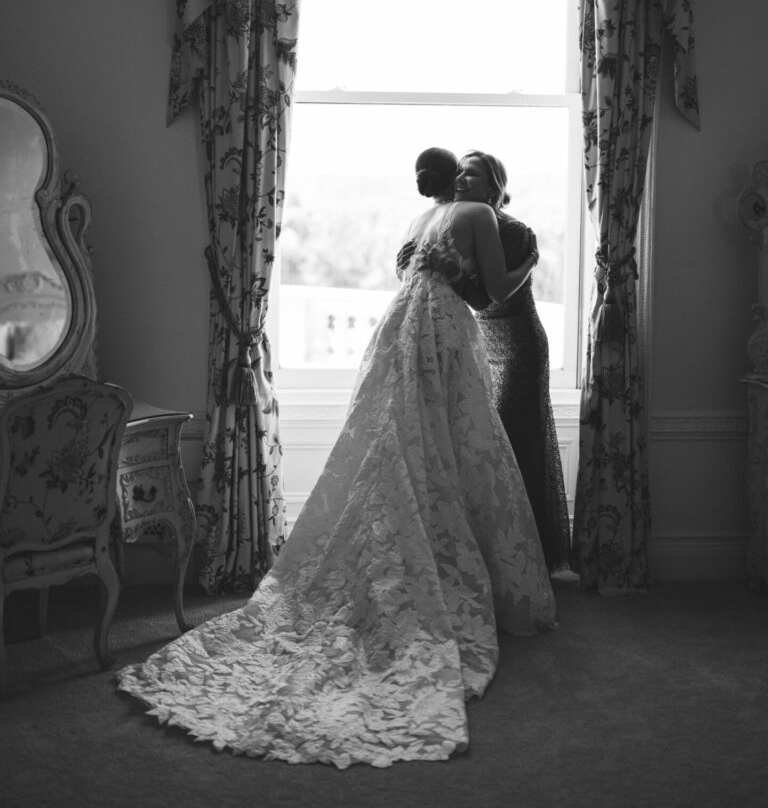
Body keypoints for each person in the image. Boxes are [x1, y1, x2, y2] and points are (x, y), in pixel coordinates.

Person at [116, 146, 556, 768]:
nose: (467, 178)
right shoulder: (479, 214)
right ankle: (449, 568)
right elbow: (491, 294)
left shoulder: (418, 220)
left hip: (400, 328)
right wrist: (531, 261)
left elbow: (406, 275)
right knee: (455, 443)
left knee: (399, 443)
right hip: (445, 331)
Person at [453, 150, 572, 574]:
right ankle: (495, 550)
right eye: (459, 171)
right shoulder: (462, 223)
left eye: (472, 172)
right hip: (484, 343)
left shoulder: (515, 230)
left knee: (520, 442)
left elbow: (494, 291)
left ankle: (533, 555)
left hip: (520, 344)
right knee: (492, 445)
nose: (461, 178)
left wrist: (530, 261)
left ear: (493, 185)